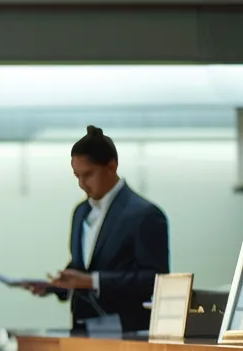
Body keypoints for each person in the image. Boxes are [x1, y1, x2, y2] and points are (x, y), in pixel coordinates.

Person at [26, 125, 170, 331]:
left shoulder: (145, 214)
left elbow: (155, 279)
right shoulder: (80, 212)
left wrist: (93, 281)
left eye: (88, 175)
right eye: (77, 176)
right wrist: (57, 285)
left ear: (112, 166)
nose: (82, 184)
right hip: (82, 327)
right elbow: (82, 265)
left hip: (127, 330)